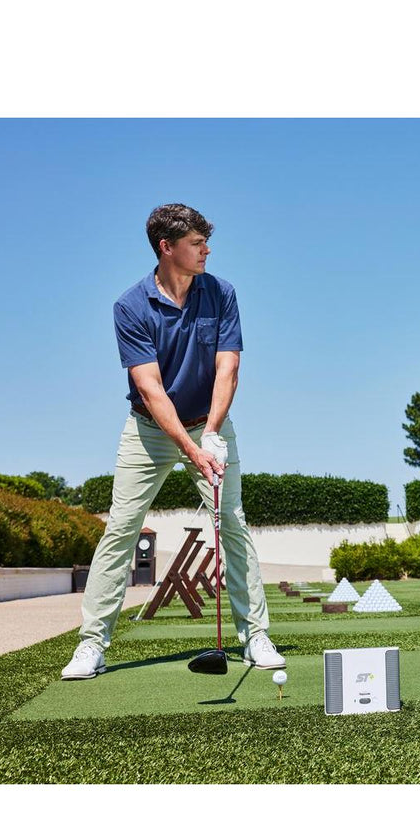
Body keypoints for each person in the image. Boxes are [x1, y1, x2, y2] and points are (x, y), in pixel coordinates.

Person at [61, 203, 285, 679]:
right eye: (196, 243)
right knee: (122, 528)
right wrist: (191, 448)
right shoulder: (130, 306)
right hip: (149, 430)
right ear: (166, 247)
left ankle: (255, 636)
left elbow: (228, 367)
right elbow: (150, 389)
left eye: (206, 242)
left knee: (232, 523)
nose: (207, 250)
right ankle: (91, 644)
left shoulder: (221, 293)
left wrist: (212, 433)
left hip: (210, 424)